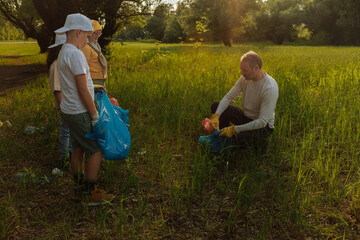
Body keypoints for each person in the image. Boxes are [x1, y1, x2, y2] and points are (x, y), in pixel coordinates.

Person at [55, 13, 114, 204]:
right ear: (79, 31)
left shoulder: (64, 51)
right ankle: (91, 193)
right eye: (87, 36)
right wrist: (94, 114)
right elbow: (82, 89)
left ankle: (78, 184)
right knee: (96, 150)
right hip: (80, 111)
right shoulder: (76, 54)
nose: (88, 40)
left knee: (78, 147)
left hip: (69, 110)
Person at [210, 51, 279, 152]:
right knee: (216, 106)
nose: (242, 73)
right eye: (241, 69)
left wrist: (235, 129)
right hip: (245, 117)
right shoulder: (245, 78)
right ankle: (222, 133)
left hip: (262, 127)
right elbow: (229, 97)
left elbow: (263, 121)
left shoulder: (269, 88)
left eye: (245, 70)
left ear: (256, 68)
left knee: (238, 140)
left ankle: (260, 142)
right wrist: (216, 115)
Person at [81, 20, 107, 89]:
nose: (98, 36)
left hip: (99, 80)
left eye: (99, 33)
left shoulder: (96, 46)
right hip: (93, 81)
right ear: (89, 33)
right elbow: (83, 67)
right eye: (95, 33)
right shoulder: (86, 47)